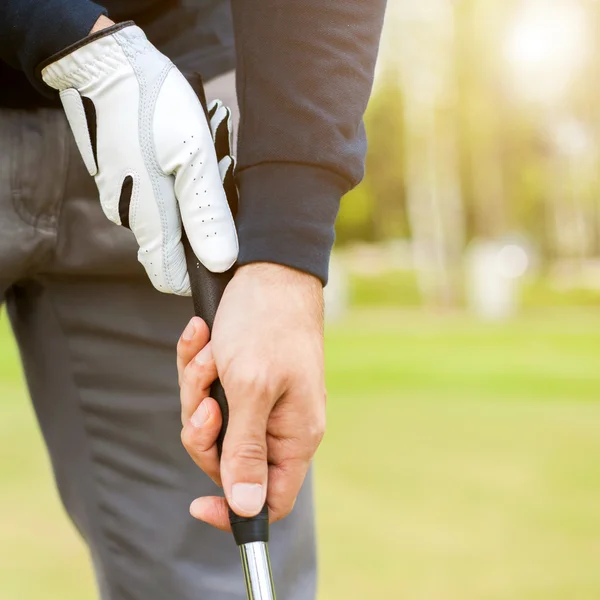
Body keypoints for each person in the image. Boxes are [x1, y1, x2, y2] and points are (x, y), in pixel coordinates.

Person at [0, 1, 386, 598]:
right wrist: (62, 29)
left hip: (170, 121)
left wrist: (285, 249)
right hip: (122, 67)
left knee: (212, 584)